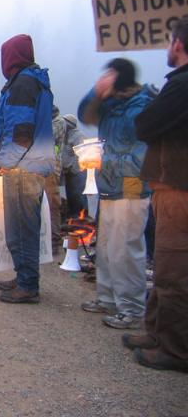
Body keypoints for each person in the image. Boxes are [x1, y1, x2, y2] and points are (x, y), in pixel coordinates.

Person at [127, 16, 188, 372]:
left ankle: (176, 348)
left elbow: (145, 125)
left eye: (169, 40)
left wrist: (154, 103)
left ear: (178, 43)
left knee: (173, 270)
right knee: (167, 265)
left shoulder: (180, 84)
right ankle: (156, 331)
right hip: (174, 185)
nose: (167, 47)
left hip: (177, 187)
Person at [78, 58, 154, 329]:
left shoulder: (141, 107)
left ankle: (132, 309)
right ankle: (108, 298)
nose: (105, 78)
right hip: (109, 185)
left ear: (119, 78)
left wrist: (102, 162)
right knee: (107, 245)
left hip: (131, 186)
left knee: (127, 248)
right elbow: (84, 115)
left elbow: (141, 157)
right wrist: (96, 93)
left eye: (110, 74)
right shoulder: (112, 104)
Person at [0, 34, 55, 304]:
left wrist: (7, 162)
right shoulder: (30, 81)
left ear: (10, 57)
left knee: (22, 228)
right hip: (30, 166)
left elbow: (20, 131)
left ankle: (28, 285)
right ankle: (23, 276)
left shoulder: (23, 84)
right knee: (19, 228)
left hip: (23, 168)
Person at [45, 104, 66, 249]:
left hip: (51, 168)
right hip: (40, 168)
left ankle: (54, 239)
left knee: (52, 204)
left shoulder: (58, 122)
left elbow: (47, 138)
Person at [60, 113, 88, 218]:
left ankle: (82, 217)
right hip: (68, 173)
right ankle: (73, 217)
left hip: (77, 172)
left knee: (78, 195)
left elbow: (81, 155)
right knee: (71, 195)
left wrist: (72, 167)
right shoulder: (64, 136)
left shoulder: (78, 136)